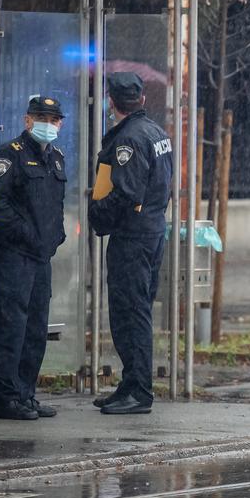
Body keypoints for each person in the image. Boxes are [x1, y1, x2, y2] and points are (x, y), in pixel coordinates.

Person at [89, 71, 173, 415]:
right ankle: (131, 383)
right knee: (136, 310)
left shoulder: (129, 140)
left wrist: (97, 214)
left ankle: (138, 390)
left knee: (129, 313)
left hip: (133, 237)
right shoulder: (156, 132)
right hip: (152, 232)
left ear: (111, 102)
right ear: (141, 99)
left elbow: (125, 194)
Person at [0, 94, 68, 421]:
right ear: (27, 120)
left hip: (40, 257)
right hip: (14, 255)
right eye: (41, 119)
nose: (47, 125)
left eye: (53, 120)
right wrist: (27, 235)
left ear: (60, 123)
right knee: (11, 325)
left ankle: (25, 393)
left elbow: (54, 205)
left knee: (35, 326)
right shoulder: (10, 156)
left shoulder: (56, 159)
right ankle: (5, 397)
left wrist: (55, 236)